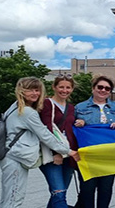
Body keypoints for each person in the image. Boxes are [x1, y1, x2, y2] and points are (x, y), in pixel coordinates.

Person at [0, 77, 79, 208]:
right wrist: (68, 151)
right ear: (21, 91)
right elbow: (45, 135)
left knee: (8, 197)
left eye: (37, 90)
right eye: (30, 90)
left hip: (11, 155)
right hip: (15, 158)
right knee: (14, 198)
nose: (35, 94)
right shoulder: (28, 112)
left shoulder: (14, 107)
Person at [74, 75, 115, 208]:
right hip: (88, 157)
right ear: (93, 88)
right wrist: (79, 122)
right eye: (100, 87)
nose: (103, 90)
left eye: (107, 88)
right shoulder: (80, 107)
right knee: (87, 190)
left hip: (109, 156)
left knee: (105, 190)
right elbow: (70, 129)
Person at [39, 74, 78, 208]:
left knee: (59, 193)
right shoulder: (47, 103)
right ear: (54, 87)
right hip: (52, 154)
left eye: (68, 87)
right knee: (59, 192)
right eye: (61, 87)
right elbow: (46, 129)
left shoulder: (71, 108)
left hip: (69, 153)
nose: (64, 90)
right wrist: (56, 152)